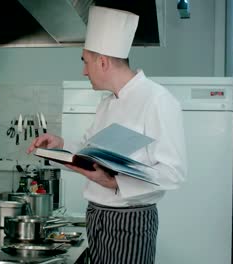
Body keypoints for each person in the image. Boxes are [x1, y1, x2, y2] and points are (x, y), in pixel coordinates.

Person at [27, 6, 187, 264]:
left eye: (85, 62)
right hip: (97, 217)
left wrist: (114, 183)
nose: (84, 71)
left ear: (103, 62)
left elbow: (173, 172)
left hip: (129, 222)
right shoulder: (106, 103)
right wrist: (61, 145)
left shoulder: (157, 100)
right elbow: (90, 153)